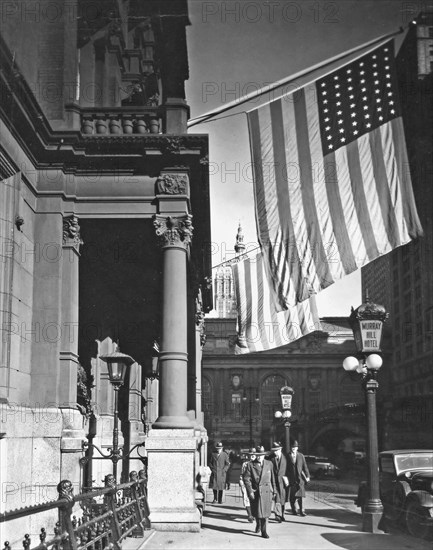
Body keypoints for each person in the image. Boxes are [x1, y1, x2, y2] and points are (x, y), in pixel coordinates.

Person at [243, 445, 276, 539]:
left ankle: (264, 531)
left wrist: (274, 490)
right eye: (257, 455)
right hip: (256, 491)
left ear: (264, 455)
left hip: (266, 491)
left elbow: (273, 478)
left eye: (261, 455)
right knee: (257, 512)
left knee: (265, 513)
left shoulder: (269, 463)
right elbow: (246, 479)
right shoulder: (250, 465)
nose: (259, 457)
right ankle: (258, 524)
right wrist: (250, 492)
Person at [287, 440, 310, 517]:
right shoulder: (287, 456)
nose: (293, 448)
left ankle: (302, 511)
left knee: (301, 496)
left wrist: (307, 476)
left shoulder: (301, 456)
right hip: (291, 479)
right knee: (292, 496)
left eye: (295, 447)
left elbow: (305, 467)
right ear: (291, 448)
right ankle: (294, 510)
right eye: (292, 447)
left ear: (297, 448)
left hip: (300, 479)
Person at [269, 441, 288, 522]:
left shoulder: (286, 458)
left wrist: (288, 479)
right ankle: (278, 515)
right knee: (277, 498)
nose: (275, 452)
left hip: (283, 482)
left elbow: (289, 470)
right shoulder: (270, 457)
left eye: (277, 450)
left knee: (283, 499)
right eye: (274, 450)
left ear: (281, 449)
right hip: (274, 481)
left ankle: (282, 514)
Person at [239, 449, 255, 523]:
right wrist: (241, 481)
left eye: (253, 455)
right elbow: (242, 474)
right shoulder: (245, 464)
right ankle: (250, 515)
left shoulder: (258, 464)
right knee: (246, 498)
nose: (252, 456)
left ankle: (254, 513)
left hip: (254, 484)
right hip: (246, 483)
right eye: (250, 455)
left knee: (254, 499)